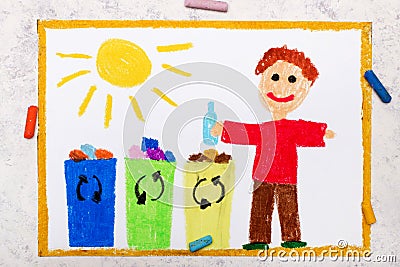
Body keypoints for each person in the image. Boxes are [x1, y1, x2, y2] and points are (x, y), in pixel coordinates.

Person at [211, 45, 335, 250]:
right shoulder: (263, 129)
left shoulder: (293, 128)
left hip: (287, 176)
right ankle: (258, 239)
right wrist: (224, 129)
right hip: (262, 175)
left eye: (292, 80)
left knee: (289, 208)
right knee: (260, 209)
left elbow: (306, 130)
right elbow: (246, 132)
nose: (281, 88)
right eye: (275, 78)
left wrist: (322, 132)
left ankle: (291, 237)